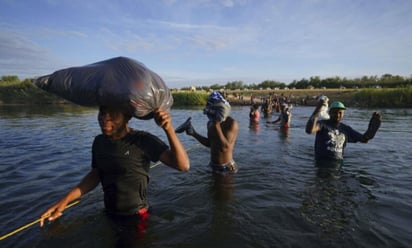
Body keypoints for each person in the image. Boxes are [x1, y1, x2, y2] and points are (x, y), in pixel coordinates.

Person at [40, 106, 190, 227]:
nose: (105, 119)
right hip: (109, 213)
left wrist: (168, 128)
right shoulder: (99, 142)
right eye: (102, 113)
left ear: (127, 116)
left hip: (137, 217)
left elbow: (183, 165)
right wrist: (64, 202)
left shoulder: (142, 141)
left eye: (113, 114)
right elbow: (96, 174)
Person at [175, 91, 239, 175]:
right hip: (212, 165)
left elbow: (224, 148)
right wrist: (194, 133)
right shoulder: (210, 123)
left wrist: (217, 124)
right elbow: (210, 144)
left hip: (226, 167)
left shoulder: (231, 123)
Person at [305, 100, 382, 161]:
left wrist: (372, 129)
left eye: (340, 112)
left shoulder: (346, 129)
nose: (338, 115)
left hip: (338, 164)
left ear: (343, 114)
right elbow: (309, 130)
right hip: (321, 163)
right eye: (335, 112)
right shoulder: (322, 124)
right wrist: (318, 109)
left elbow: (364, 139)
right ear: (330, 113)